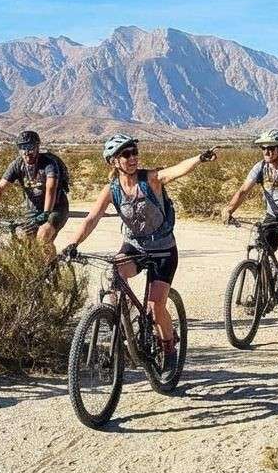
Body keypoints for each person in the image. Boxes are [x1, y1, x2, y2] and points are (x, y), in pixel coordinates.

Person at [63, 135, 216, 371]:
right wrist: (73, 243)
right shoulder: (111, 189)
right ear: (114, 161)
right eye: (126, 154)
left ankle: (168, 346)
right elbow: (92, 218)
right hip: (134, 246)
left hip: (163, 250)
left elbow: (175, 172)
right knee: (112, 274)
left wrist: (199, 159)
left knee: (156, 307)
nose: (133, 157)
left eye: (134, 152)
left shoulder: (150, 180)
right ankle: (124, 322)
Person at [221, 129, 278, 296]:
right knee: (262, 245)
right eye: (263, 148)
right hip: (273, 216)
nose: (266, 152)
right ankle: (262, 292)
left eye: (271, 148)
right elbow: (243, 190)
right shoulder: (260, 167)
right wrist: (229, 210)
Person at [0, 130, 70, 257]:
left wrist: (46, 213)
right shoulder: (17, 164)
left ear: (37, 147)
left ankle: (52, 270)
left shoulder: (49, 163)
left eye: (30, 147)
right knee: (27, 245)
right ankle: (36, 272)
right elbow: (0, 188)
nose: (26, 152)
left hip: (56, 208)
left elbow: (51, 188)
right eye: (22, 148)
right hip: (33, 209)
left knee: (43, 236)